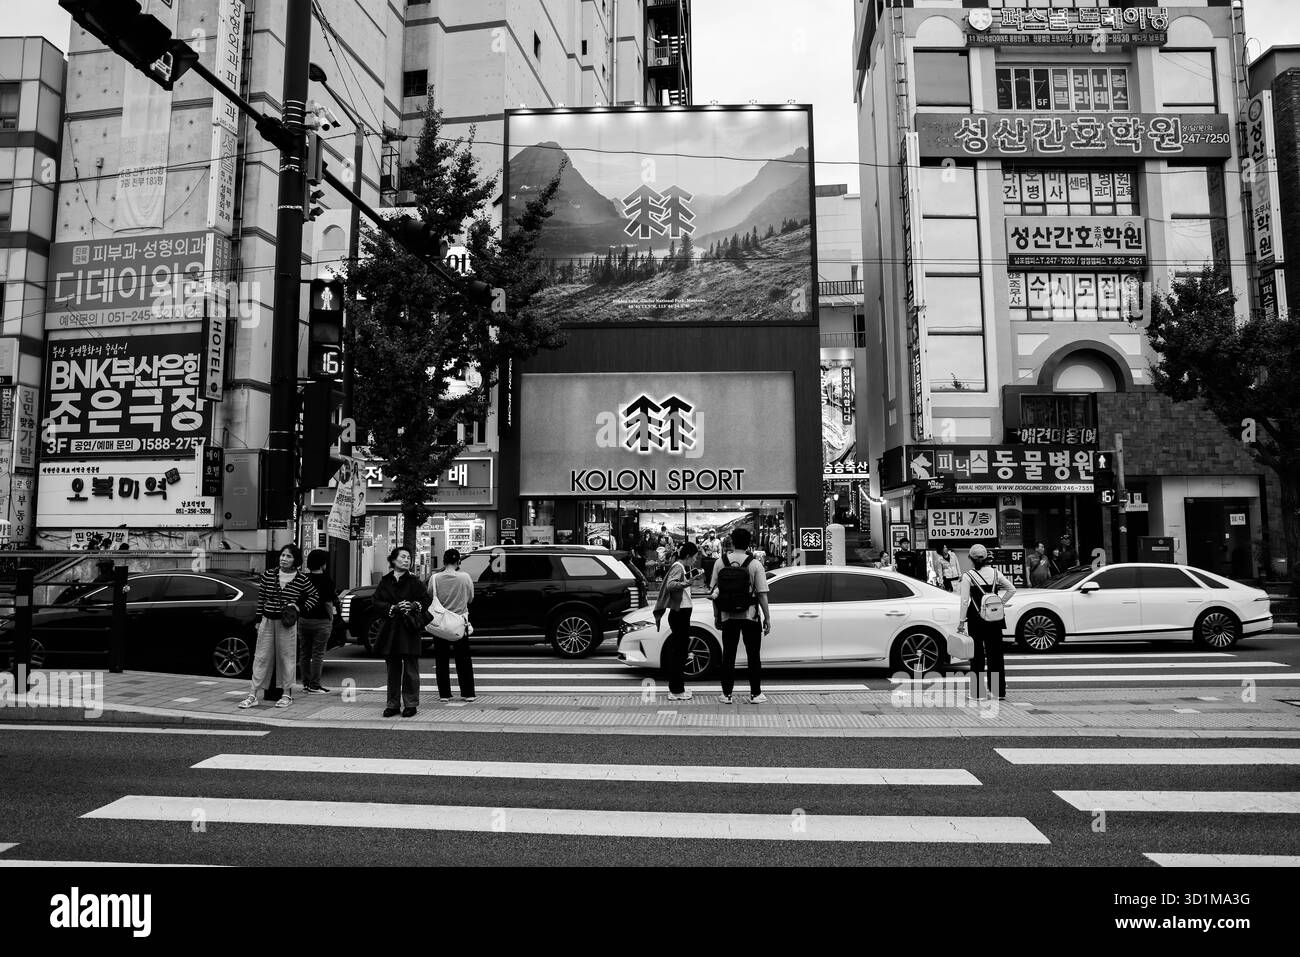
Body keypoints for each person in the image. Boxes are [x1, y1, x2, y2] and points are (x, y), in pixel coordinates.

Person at [240, 545, 319, 710]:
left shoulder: (301, 578)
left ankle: (287, 694)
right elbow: (261, 598)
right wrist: (258, 619)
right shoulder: (269, 574)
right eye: (283, 555)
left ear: (295, 560)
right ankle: (252, 694)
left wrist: (299, 608)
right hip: (267, 621)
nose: (284, 559)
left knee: (287, 658)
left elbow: (314, 596)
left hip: (287, 624)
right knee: (261, 657)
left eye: (288, 556)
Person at [708, 527, 771, 705]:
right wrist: (767, 617)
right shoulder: (755, 564)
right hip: (750, 616)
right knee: (753, 655)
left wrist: (717, 615)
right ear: (749, 543)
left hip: (728, 616)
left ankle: (726, 694)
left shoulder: (720, 562)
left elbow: (714, 592)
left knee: (728, 655)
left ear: (732, 542)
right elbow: (762, 594)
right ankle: (755, 694)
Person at [373, 546, 427, 718]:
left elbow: (426, 600)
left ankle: (411, 704)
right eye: (403, 557)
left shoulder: (415, 581)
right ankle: (393, 704)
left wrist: (412, 605)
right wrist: (393, 608)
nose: (407, 560)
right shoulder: (385, 581)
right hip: (391, 629)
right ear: (393, 560)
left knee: (411, 668)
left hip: (409, 628)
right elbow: (376, 602)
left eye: (409, 558)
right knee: (393, 669)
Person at [959, 543, 1016, 700]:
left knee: (976, 656)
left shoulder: (967, 576)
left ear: (970, 558)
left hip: (976, 619)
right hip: (995, 619)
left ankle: (977, 693)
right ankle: (998, 692)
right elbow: (1012, 589)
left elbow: (964, 601)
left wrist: (961, 621)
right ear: (986, 557)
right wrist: (999, 603)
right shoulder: (996, 573)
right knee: (996, 655)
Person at [654, 541, 700, 701]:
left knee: (680, 652)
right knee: (679, 653)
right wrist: (687, 582)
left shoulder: (681, 567)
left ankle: (678, 688)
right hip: (679, 614)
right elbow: (671, 585)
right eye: (694, 557)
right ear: (687, 556)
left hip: (680, 614)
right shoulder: (678, 567)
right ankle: (676, 690)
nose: (695, 560)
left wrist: (690, 579)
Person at [430, 548, 476, 703]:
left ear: (443, 561)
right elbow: (470, 599)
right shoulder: (465, 577)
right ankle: (468, 693)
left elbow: (431, 596)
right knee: (463, 658)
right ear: (458, 562)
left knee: (441, 659)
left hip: (441, 623)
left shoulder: (435, 578)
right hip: (459, 623)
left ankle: (444, 694)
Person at [298, 549, 338, 694]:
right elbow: (328, 603)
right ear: (323, 564)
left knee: (304, 653)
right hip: (321, 621)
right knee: (317, 654)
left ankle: (306, 684)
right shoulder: (327, 580)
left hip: (303, 620)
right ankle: (315, 685)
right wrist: (331, 619)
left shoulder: (302, 578)